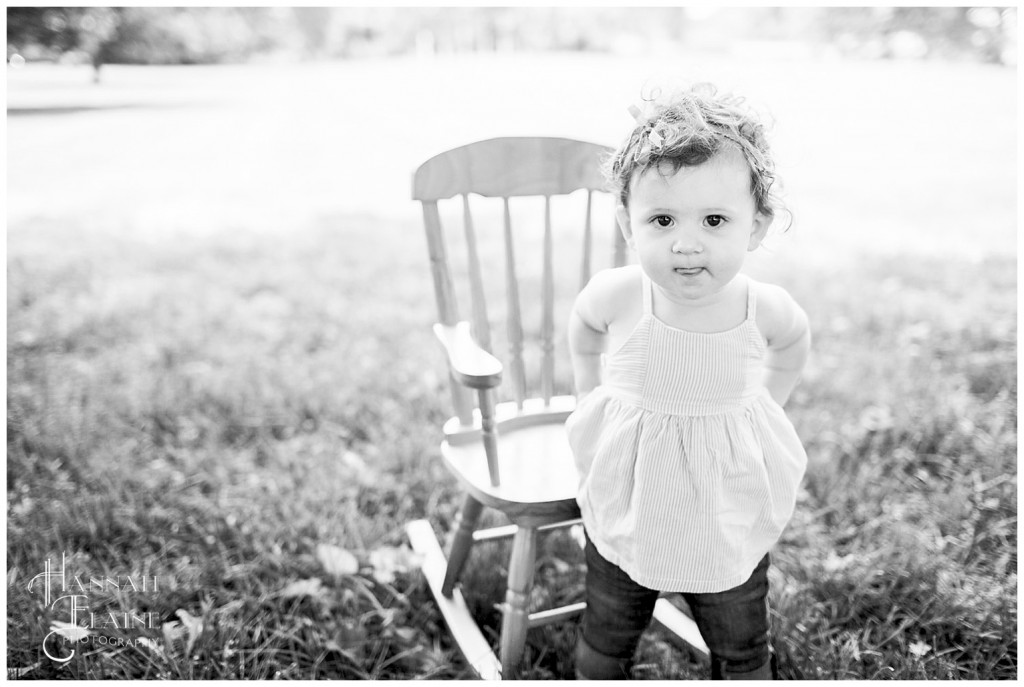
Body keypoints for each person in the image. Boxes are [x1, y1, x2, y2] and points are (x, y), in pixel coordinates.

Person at [566, 83, 810, 680]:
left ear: (756, 228)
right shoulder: (619, 294)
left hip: (724, 506)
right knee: (607, 630)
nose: (686, 242)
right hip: (631, 501)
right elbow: (583, 327)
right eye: (663, 218)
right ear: (629, 223)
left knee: (740, 635)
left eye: (715, 220)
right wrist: (586, 393)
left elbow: (793, 344)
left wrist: (765, 405)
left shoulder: (764, 306)